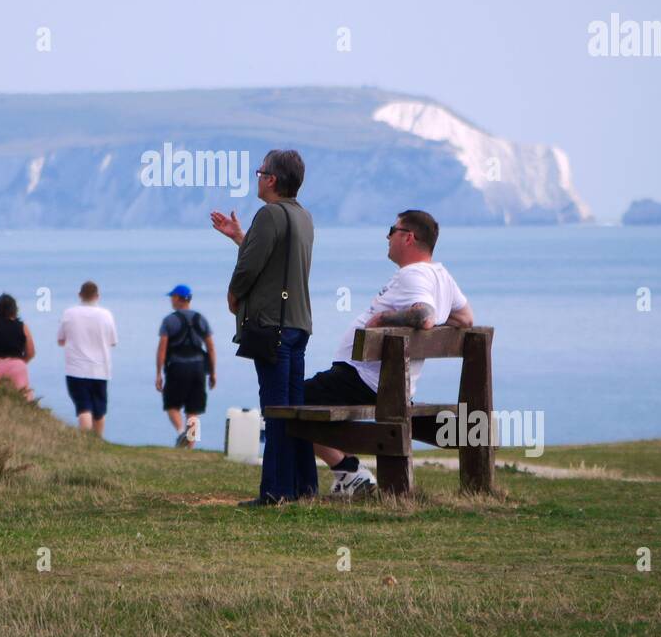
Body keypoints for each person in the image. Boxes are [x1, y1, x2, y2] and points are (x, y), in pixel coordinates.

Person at [303, 209, 473, 496]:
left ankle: (347, 470)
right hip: (388, 384)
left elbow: (425, 316)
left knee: (284, 400)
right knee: (297, 400)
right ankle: (344, 471)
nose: (387, 237)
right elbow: (466, 319)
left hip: (365, 381)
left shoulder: (414, 275)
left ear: (408, 237)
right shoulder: (440, 275)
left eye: (391, 230)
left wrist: (384, 319)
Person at [211, 149, 314, 506]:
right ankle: (303, 485)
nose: (257, 177)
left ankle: (275, 491)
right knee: (295, 409)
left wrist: (233, 293)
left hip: (273, 326)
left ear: (271, 179)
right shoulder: (303, 217)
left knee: (274, 408)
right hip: (298, 323)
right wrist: (242, 238)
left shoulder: (269, 214)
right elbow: (275, 260)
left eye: (260, 172)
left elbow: (252, 268)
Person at [156, 284, 216, 448]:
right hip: (198, 368)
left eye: (172, 297)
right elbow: (210, 347)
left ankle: (181, 431)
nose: (171, 300)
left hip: (177, 367)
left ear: (177, 298)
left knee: (172, 405)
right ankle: (190, 447)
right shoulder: (201, 319)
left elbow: (162, 348)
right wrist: (213, 373)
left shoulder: (169, 321)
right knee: (194, 410)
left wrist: (159, 374)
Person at [56, 281, 118, 434]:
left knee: (83, 408)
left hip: (76, 369)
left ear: (80, 295)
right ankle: (98, 441)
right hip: (100, 369)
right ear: (97, 296)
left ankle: (86, 442)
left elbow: (60, 340)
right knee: (99, 411)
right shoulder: (106, 315)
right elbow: (113, 341)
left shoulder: (69, 313)